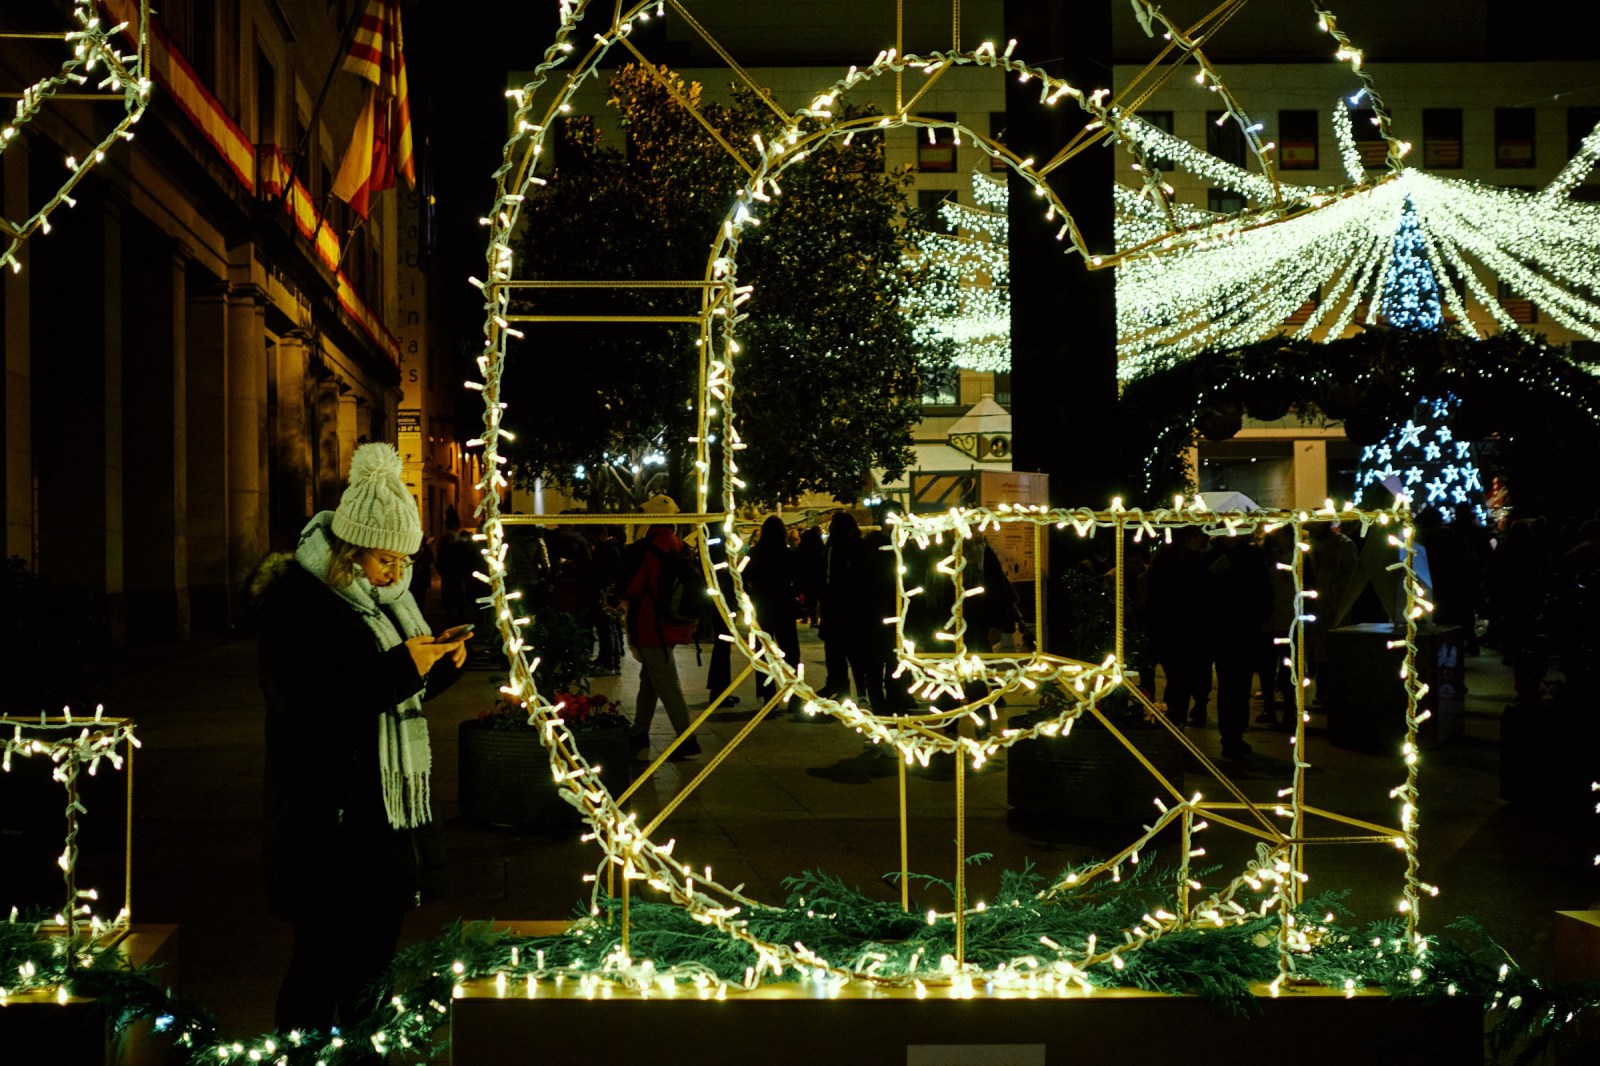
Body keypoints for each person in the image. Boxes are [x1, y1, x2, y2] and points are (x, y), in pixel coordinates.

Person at [251, 442, 469, 1049]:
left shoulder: (389, 605)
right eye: (383, 558)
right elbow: (308, 704)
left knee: (374, 961)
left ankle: (359, 1053)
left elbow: (401, 693)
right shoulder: (298, 606)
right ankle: (302, 1056)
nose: (396, 573)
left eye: (404, 559)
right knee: (322, 962)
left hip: (382, 821)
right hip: (327, 819)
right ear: (348, 550)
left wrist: (440, 663)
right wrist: (404, 668)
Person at [622, 497, 701, 759]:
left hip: (650, 623)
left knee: (666, 682)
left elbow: (633, 587)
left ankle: (687, 738)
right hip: (673, 621)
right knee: (651, 679)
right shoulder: (678, 545)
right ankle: (639, 731)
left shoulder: (649, 548)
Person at [744, 515, 802, 711]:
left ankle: (768, 695)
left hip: (763, 606)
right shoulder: (789, 555)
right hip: (784, 605)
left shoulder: (755, 552)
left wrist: (752, 594)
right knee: (790, 651)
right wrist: (791, 593)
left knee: (764, 651)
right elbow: (800, 579)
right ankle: (794, 695)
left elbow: (743, 576)